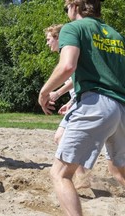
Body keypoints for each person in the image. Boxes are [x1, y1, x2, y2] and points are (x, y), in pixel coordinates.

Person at [38, 0, 125, 215]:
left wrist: (44, 92)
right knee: (120, 171)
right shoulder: (116, 35)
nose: (66, 11)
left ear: (75, 5)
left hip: (96, 104)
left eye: (65, 6)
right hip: (121, 107)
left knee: (59, 174)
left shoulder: (73, 28)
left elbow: (67, 65)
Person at [45, 24, 90, 189]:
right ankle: (83, 177)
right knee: (60, 138)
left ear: (58, 38)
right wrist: (70, 102)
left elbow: (74, 79)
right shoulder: (67, 53)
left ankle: (83, 178)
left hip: (87, 102)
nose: (47, 43)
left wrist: (56, 93)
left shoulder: (70, 53)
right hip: (79, 101)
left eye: (49, 39)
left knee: (62, 138)